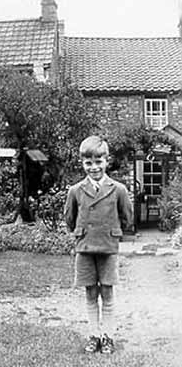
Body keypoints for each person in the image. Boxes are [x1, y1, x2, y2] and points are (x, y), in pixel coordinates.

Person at [64, 135, 133, 354]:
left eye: (98, 162)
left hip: (107, 247)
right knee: (90, 294)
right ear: (82, 163)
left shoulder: (118, 189)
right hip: (85, 249)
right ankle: (94, 335)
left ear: (107, 160)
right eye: (88, 163)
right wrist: (84, 232)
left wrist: (111, 232)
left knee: (108, 293)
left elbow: (127, 217)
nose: (94, 167)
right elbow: (70, 219)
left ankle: (108, 336)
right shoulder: (75, 191)